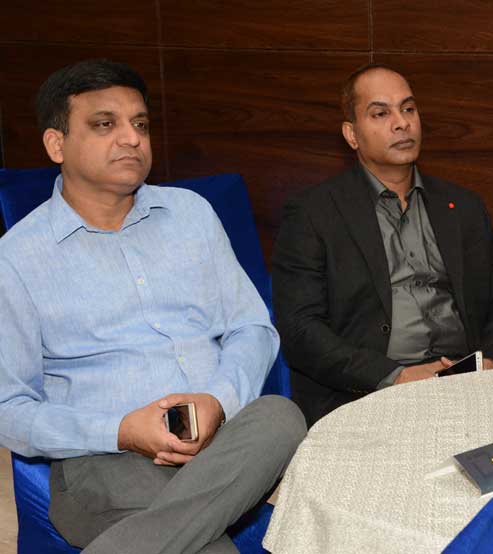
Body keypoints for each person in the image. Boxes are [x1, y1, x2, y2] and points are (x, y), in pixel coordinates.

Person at [0, 59, 307, 553]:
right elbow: (9, 409)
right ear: (56, 144)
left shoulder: (192, 215)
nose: (131, 138)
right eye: (105, 124)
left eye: (140, 124)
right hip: (103, 461)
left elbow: (251, 327)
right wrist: (121, 431)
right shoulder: (17, 258)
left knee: (280, 416)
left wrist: (217, 401)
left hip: (219, 444)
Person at [271, 63, 493, 425]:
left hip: (466, 381)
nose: (402, 123)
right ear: (352, 134)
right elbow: (300, 329)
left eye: (408, 108)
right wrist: (396, 376)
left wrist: (492, 362)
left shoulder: (463, 206)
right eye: (381, 113)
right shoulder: (314, 213)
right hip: (367, 391)